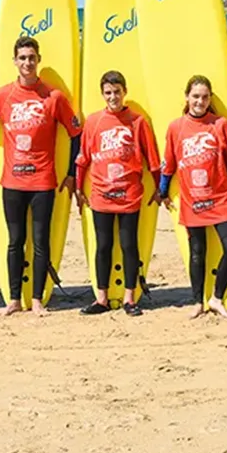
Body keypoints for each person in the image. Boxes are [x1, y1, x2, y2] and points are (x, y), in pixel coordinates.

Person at [0, 35, 82, 316]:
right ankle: (14, 299)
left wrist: (72, 173)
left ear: (38, 60)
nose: (27, 62)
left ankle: (37, 299)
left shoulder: (53, 97)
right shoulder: (2, 96)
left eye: (32, 57)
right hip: (11, 181)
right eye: (22, 58)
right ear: (14, 61)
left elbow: (76, 134)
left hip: (42, 182)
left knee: (40, 241)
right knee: (14, 241)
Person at [159, 76, 227, 319]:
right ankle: (197, 301)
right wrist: (163, 191)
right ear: (187, 97)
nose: (200, 101)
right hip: (191, 200)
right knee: (197, 252)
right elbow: (169, 163)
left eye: (205, 97)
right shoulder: (176, 127)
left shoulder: (220, 125)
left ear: (210, 99)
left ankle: (217, 298)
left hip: (219, 199)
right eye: (196, 96)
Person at [74, 70, 161, 317]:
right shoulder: (93, 122)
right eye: (108, 93)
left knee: (129, 245)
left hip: (129, 194)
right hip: (101, 194)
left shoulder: (137, 121)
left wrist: (159, 188)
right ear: (102, 94)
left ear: (125, 92)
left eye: (117, 92)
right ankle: (101, 299)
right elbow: (82, 158)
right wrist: (79, 188)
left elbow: (152, 159)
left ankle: (129, 299)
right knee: (103, 246)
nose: (113, 97)